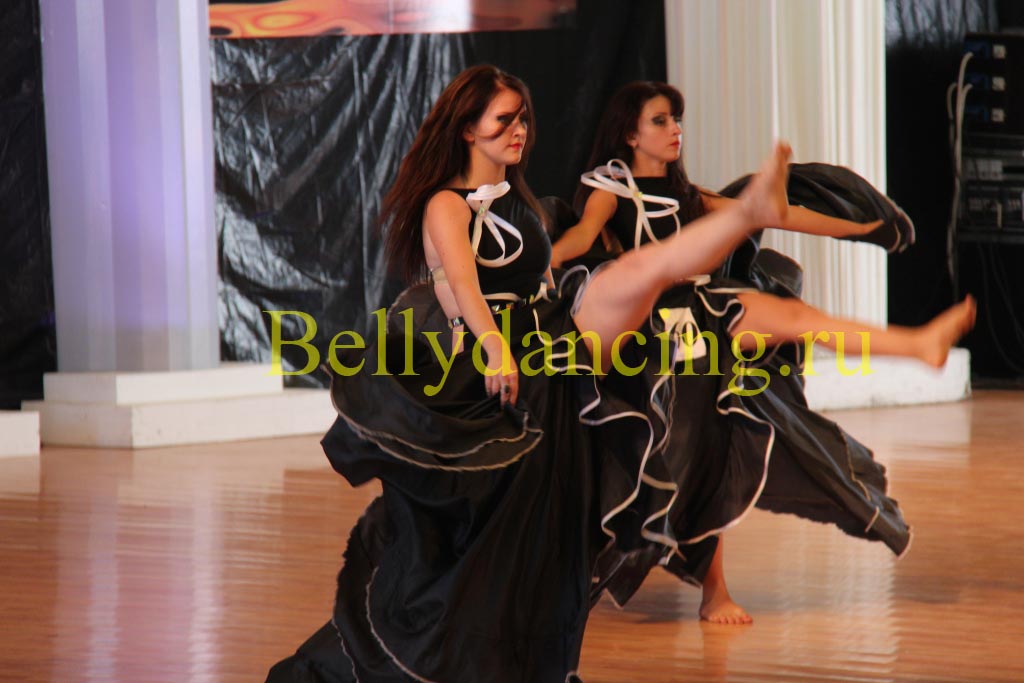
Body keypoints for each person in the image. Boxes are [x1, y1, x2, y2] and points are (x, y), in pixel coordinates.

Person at [266, 66, 972, 681]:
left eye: (523, 119)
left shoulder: (516, 199)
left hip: (548, 348)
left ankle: (869, 307)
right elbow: (460, 287)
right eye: (504, 120)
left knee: (662, 291)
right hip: (496, 364)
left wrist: (867, 227)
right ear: (467, 129)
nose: (519, 131)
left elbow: (546, 267)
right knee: (476, 560)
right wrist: (493, 347)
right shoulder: (445, 205)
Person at [550, 80, 974, 625]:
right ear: (629, 134)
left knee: (793, 323)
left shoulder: (692, 195)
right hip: (646, 332)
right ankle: (697, 587)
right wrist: (543, 260)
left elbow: (778, 215)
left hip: (703, 315)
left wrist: (863, 227)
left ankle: (919, 344)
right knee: (691, 452)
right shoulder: (609, 188)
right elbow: (583, 236)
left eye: (677, 120)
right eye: (660, 121)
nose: (675, 129)